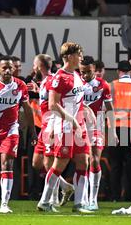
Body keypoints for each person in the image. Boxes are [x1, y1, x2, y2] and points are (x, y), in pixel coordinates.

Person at [36, 42, 93, 213]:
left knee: (84, 161)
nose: (81, 57)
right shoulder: (59, 77)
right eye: (78, 54)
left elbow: (78, 102)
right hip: (65, 128)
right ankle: (44, 201)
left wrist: (86, 113)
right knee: (59, 164)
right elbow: (53, 104)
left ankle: (80, 203)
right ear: (68, 56)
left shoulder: (77, 76)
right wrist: (71, 120)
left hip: (78, 126)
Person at [0, 56, 37, 213]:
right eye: (4, 67)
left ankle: (5, 204)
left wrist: (32, 131)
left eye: (10, 68)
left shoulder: (20, 85)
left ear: (14, 70)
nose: (7, 70)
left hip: (11, 130)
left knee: (7, 163)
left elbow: (27, 109)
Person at [31, 54, 74, 206]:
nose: (33, 67)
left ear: (40, 66)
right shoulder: (44, 82)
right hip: (45, 125)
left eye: (34, 64)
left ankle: (52, 199)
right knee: (37, 163)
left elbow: (55, 103)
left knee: (49, 162)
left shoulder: (51, 80)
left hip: (52, 125)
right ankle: (65, 186)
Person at [80, 56, 118, 211]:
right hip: (79, 126)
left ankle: (93, 199)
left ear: (94, 70)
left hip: (98, 125)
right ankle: (80, 197)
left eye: (88, 72)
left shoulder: (103, 85)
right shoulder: (75, 83)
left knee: (95, 160)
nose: (85, 75)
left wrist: (113, 131)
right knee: (82, 161)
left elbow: (110, 110)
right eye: (83, 72)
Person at [107, 61, 131, 202]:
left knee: (115, 166)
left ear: (118, 71)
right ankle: (130, 196)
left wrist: (110, 130)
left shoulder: (111, 86)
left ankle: (115, 197)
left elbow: (107, 110)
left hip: (114, 129)